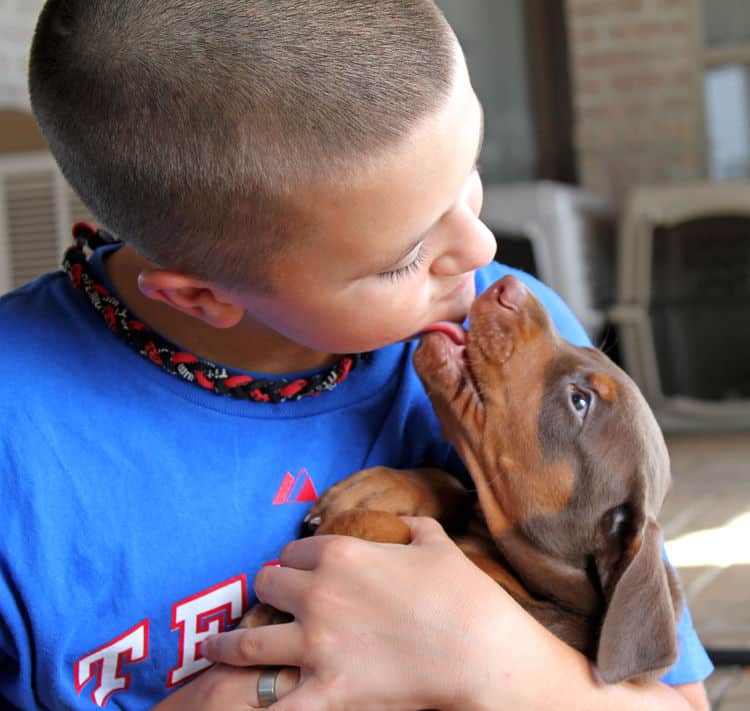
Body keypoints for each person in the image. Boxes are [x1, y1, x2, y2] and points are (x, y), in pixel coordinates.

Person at [0, 1, 712, 709]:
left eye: (469, 171)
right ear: (200, 297)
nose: (482, 250)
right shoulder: (23, 441)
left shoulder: (492, 337)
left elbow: (678, 701)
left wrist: (489, 657)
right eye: (405, 256)